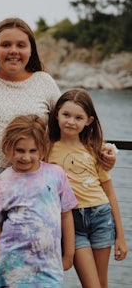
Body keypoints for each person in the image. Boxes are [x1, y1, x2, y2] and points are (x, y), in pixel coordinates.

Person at [0, 17, 116, 288]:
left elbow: (68, 125)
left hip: (33, 185)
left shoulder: (44, 82)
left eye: (21, 44)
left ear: (31, 50)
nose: (13, 50)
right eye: (6, 44)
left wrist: (101, 148)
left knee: (29, 265)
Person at [47, 89, 128, 288]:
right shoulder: (46, 148)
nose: (71, 122)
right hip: (71, 222)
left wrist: (121, 236)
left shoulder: (95, 148)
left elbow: (110, 193)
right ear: (57, 114)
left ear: (88, 121)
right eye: (66, 115)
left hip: (101, 216)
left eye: (78, 117)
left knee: (101, 283)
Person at [0, 114, 78, 288]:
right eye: (20, 150)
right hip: (12, 267)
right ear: (8, 147)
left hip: (49, 267)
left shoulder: (56, 174)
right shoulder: (1, 182)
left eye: (33, 151)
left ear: (42, 149)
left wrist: (69, 255)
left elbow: (66, 216)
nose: (26, 157)